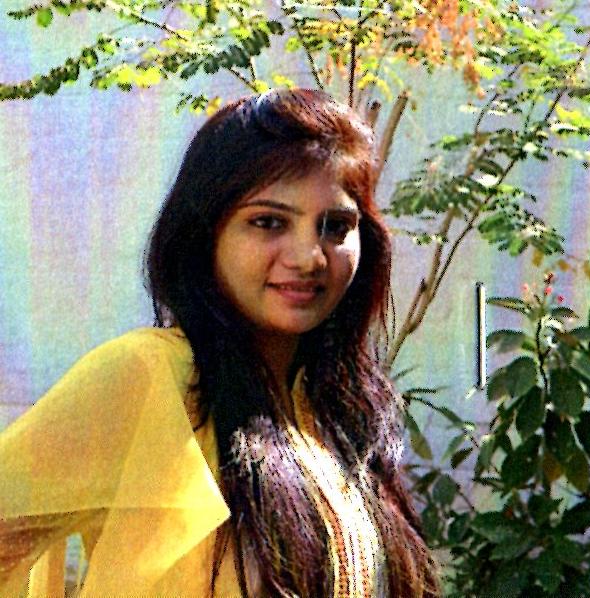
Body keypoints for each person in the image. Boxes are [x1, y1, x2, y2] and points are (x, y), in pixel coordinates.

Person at [0, 88, 439, 597]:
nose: (310, 257)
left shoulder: (334, 409)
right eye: (268, 222)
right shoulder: (152, 376)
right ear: (205, 234)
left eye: (335, 227)